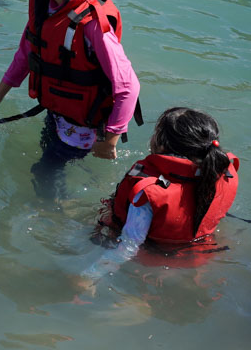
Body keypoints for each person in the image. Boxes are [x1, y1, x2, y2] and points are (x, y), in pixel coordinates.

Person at [0, 0, 141, 198]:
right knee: (49, 156)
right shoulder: (46, 5)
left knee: (44, 173)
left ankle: (53, 221)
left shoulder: (92, 24)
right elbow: (25, 55)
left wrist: (109, 141)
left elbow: (128, 87)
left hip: (84, 126)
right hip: (59, 111)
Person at [80, 107, 239, 286]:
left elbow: (130, 246)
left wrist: (90, 276)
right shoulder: (222, 173)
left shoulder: (149, 191)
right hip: (202, 255)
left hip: (151, 263)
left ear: (161, 144)